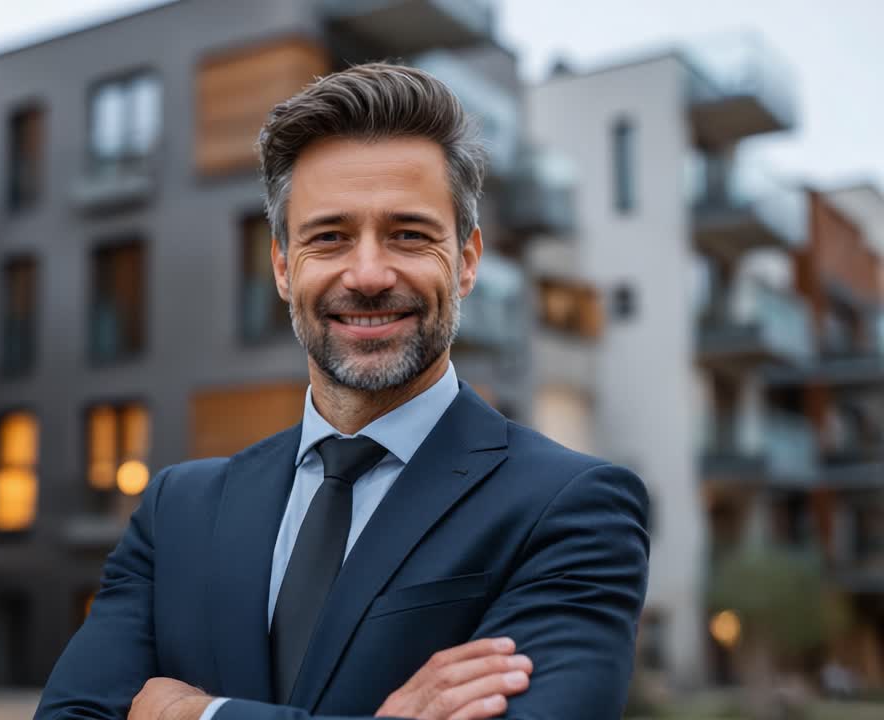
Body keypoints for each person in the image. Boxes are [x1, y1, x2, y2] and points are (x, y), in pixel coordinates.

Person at [35, 63, 650, 720]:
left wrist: (197, 715)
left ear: (467, 262)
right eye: (329, 237)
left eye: (408, 235)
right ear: (282, 265)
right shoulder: (177, 511)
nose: (368, 275)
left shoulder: (572, 510)